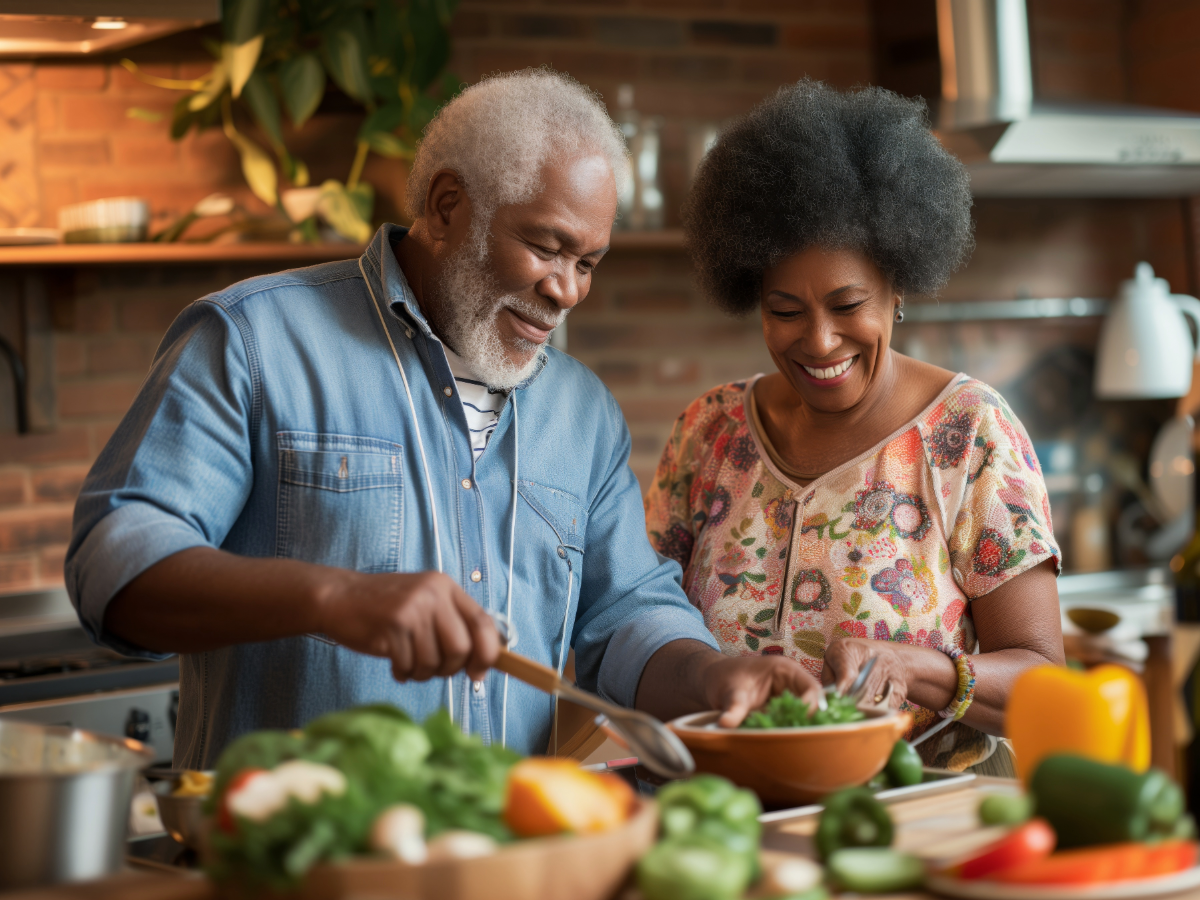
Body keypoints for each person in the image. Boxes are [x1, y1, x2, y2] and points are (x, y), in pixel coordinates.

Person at [64, 69, 824, 768]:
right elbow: (114, 566)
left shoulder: (582, 412)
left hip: (505, 855)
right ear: (446, 206)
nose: (568, 292)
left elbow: (625, 613)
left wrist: (712, 673)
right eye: (547, 246)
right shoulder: (256, 339)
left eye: (589, 262)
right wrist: (336, 597)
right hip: (293, 860)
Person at [645, 80, 1064, 771]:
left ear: (898, 289)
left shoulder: (968, 432)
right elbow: (642, 628)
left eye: (848, 305)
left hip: (914, 813)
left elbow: (1046, 683)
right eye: (784, 311)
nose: (819, 340)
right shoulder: (707, 432)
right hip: (728, 811)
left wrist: (918, 668)